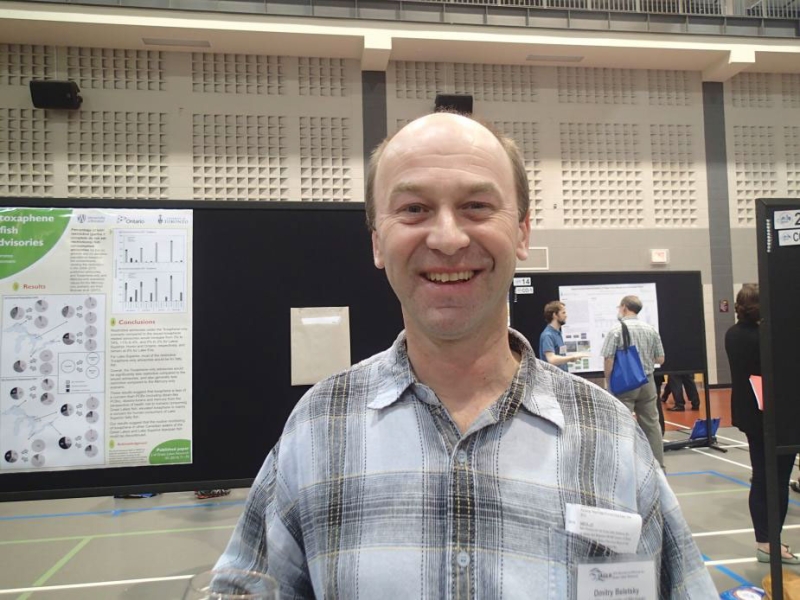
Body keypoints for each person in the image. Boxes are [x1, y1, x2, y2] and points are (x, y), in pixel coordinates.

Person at [215, 113, 715, 597]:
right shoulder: (318, 429)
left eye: (476, 206)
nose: (449, 238)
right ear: (376, 242)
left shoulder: (609, 436)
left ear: (522, 232)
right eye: (413, 209)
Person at [725, 283, 799, 564]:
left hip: (749, 414)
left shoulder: (733, 333)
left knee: (761, 477)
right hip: (774, 415)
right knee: (777, 480)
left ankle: (765, 540)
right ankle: (771, 543)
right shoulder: (766, 337)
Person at [601, 296, 666, 469]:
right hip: (648, 382)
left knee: (621, 424)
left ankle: (622, 467)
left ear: (624, 307)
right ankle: (658, 467)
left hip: (624, 384)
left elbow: (609, 359)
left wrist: (609, 382)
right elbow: (661, 358)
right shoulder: (650, 329)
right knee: (652, 424)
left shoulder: (615, 330)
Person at [538, 300, 585, 371]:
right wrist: (572, 358)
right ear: (555, 315)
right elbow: (551, 359)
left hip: (561, 378)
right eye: (563, 313)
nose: (566, 315)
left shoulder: (557, 333)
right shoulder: (547, 335)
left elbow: (560, 354)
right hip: (552, 380)